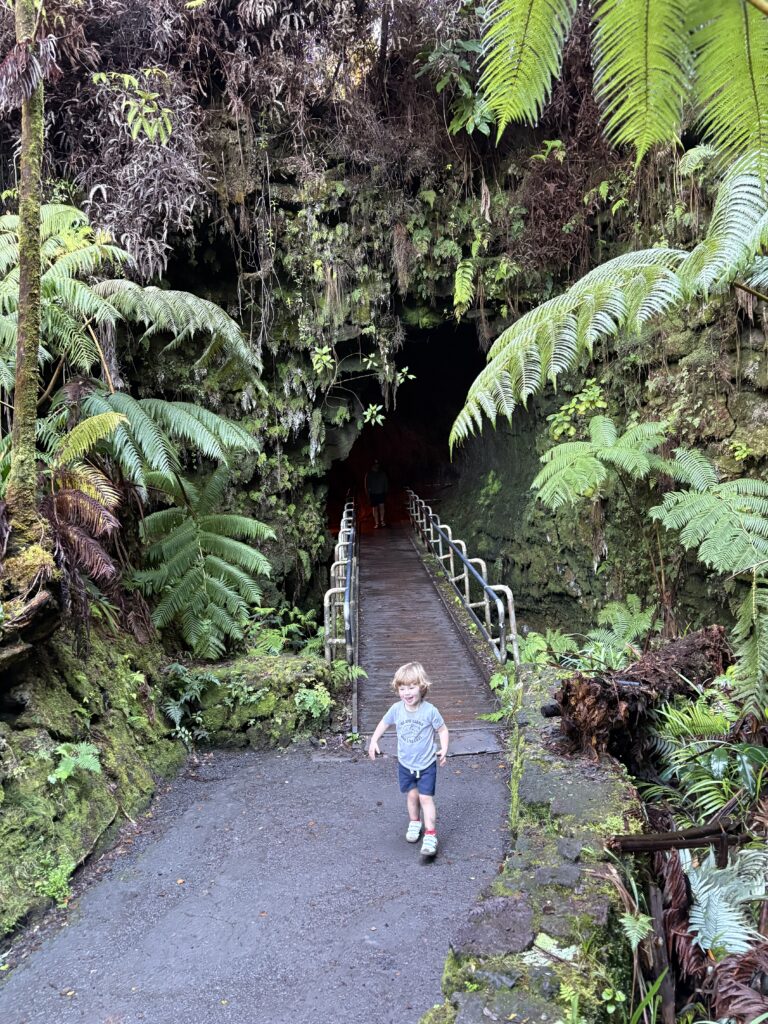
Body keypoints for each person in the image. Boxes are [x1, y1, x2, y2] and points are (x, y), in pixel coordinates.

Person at [368, 661, 449, 857]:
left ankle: (430, 834)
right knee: (412, 796)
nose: (407, 692)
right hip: (405, 763)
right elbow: (384, 723)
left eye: (411, 687)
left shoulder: (430, 711)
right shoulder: (397, 709)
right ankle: (414, 822)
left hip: (427, 763)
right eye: (402, 688)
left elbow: (442, 729)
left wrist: (444, 748)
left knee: (425, 797)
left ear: (422, 687)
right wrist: (373, 740)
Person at [365, 459, 388, 528]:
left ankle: (382, 521)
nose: (376, 465)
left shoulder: (382, 473)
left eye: (377, 464)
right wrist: (368, 495)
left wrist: (385, 491)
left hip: (381, 493)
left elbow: (385, 483)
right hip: (373, 493)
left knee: (382, 507)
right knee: (374, 508)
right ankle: (376, 523)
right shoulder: (369, 474)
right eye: (375, 464)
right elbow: (367, 485)